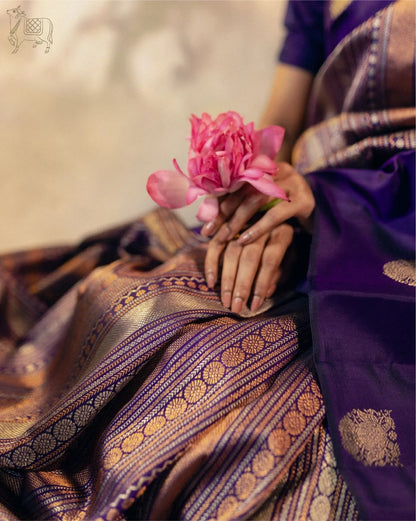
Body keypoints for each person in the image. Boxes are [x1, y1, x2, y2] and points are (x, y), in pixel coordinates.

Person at [0, 1, 414, 520]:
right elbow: (281, 123)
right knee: (131, 302)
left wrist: (324, 204)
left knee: (234, 397)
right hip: (299, 202)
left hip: (386, 235)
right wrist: (256, 202)